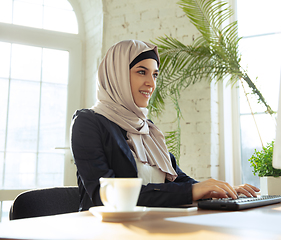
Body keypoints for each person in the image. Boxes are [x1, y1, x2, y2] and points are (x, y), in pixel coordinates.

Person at [70, 40, 259, 211]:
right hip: (107, 232)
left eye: (155, 74)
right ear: (116, 74)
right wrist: (192, 191)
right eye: (141, 72)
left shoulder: (146, 128)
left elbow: (177, 179)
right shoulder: (88, 122)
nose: (151, 83)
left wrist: (220, 191)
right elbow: (106, 196)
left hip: (155, 226)